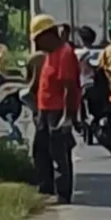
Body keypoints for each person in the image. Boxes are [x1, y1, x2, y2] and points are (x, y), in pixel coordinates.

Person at [29, 13, 81, 202]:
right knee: (40, 151)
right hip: (45, 110)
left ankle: (63, 193)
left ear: (48, 35)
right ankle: (46, 189)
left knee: (58, 152)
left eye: (37, 40)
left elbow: (69, 88)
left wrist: (67, 117)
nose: (36, 45)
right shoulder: (50, 55)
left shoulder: (65, 54)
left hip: (57, 110)